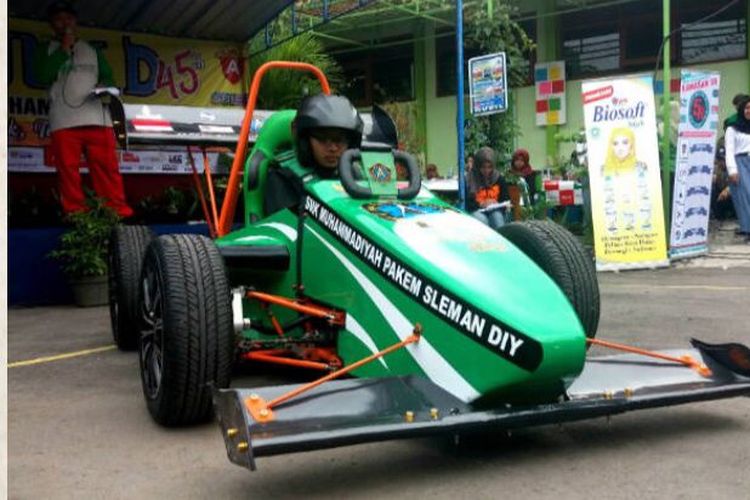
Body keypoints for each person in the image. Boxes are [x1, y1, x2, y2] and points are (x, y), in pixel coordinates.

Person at [33, 1, 133, 218]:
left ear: (75, 22)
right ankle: (75, 212)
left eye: (68, 18)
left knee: (106, 167)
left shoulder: (92, 49)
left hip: (97, 116)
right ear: (52, 24)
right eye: (59, 19)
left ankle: (115, 210)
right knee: (68, 170)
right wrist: (63, 50)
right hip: (64, 119)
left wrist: (102, 86)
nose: (64, 23)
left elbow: (108, 76)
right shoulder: (45, 50)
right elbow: (42, 76)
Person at [263, 93, 363, 215]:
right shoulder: (283, 177)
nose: (332, 148)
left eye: (339, 140)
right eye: (323, 139)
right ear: (305, 141)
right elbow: (285, 228)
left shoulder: (354, 172)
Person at [600, 127, 651, 233]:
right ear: (611, 146)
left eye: (625, 142)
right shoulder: (604, 169)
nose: (620, 148)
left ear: (631, 145)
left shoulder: (641, 167)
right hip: (612, 238)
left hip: (640, 233)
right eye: (615, 143)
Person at [725, 95, 750, 242]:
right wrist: (732, 170)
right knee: (745, 197)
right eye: (747, 108)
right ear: (741, 109)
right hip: (740, 163)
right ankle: (748, 229)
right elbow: (729, 150)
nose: (749, 111)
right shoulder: (732, 128)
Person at [466, 147, 509, 230]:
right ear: (477, 166)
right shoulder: (470, 179)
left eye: (489, 167)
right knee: (482, 220)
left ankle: (501, 241)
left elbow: (506, 199)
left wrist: (496, 203)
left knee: (497, 218)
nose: (486, 170)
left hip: (495, 210)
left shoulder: (499, 178)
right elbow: (467, 202)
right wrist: (481, 204)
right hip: (477, 210)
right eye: (483, 167)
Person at [710, 142, 735, 221]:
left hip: (732, 199)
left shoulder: (734, 167)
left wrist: (727, 190)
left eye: (723, 159)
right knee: (712, 190)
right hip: (720, 199)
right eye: (720, 160)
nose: (722, 162)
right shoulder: (716, 168)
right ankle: (718, 216)